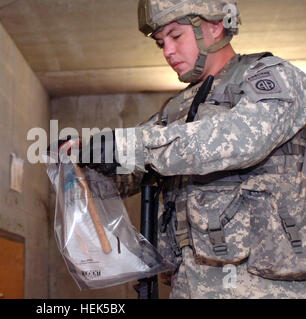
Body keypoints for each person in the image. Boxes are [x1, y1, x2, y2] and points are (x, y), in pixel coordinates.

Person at [75, 0, 305, 298]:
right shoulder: (176, 109)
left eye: (175, 36)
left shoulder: (271, 76)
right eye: (160, 44)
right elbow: (127, 175)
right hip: (189, 283)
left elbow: (243, 139)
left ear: (215, 25)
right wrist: (83, 161)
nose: (168, 52)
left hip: (265, 286)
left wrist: (127, 146)